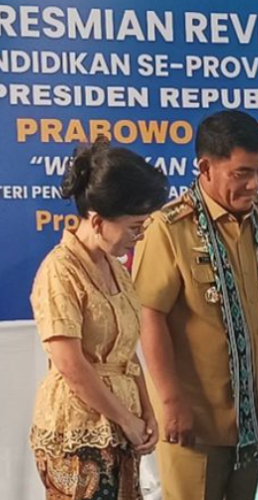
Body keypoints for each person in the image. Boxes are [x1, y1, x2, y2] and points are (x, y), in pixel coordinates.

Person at [133, 110, 258, 500]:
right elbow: (150, 316)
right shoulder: (169, 228)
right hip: (196, 420)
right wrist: (171, 401)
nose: (254, 183)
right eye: (241, 173)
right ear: (205, 168)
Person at [30, 138, 168, 500]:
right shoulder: (60, 271)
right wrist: (126, 419)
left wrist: (147, 413)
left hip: (123, 428)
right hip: (78, 430)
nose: (140, 236)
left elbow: (126, 352)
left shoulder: (116, 269)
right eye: (134, 227)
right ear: (97, 220)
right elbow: (70, 365)